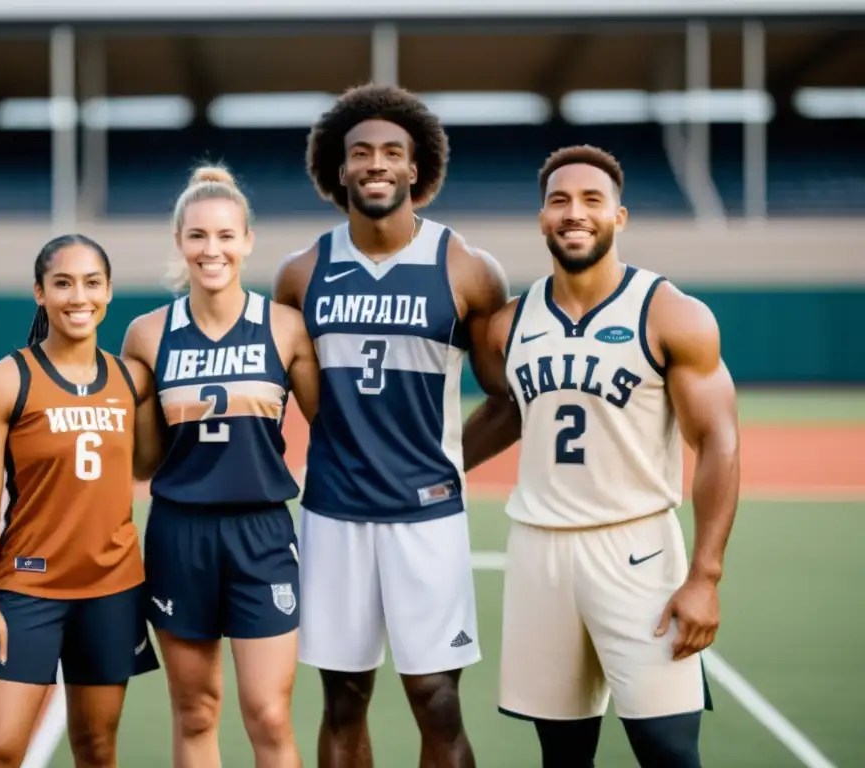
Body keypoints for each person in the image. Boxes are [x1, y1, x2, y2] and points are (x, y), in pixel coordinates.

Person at [273, 83, 511, 768]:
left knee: (436, 698)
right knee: (342, 699)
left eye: (392, 153)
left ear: (416, 168)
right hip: (334, 512)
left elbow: (508, 399)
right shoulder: (301, 272)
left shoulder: (466, 267)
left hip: (426, 518)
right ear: (339, 169)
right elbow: (287, 392)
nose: (376, 164)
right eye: (361, 154)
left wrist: (445, 466)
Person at [481, 144, 740, 767]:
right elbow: (510, 410)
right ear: (542, 218)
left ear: (619, 218)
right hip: (540, 548)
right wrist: (432, 469)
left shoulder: (670, 313)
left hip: (637, 550)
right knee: (562, 756)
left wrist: (704, 576)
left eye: (593, 200)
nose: (575, 213)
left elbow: (718, 443)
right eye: (560, 201)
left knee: (667, 750)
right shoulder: (507, 325)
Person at [120, 165, 319, 768]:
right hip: (180, 533)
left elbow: (333, 429)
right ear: (180, 241)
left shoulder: (285, 327)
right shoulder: (148, 335)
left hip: (262, 534)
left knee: (269, 714)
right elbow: (145, 461)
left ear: (248, 241)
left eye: (226, 236)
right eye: (199, 236)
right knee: (197, 710)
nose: (213, 250)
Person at [0, 234, 162, 768]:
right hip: (28, 588)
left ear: (110, 291)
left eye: (92, 283)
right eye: (64, 283)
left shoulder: (130, 379)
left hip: (112, 588)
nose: (80, 296)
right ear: (40, 292)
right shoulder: (4, 381)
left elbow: (148, 464)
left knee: (97, 749)